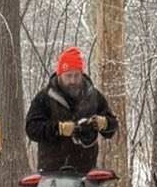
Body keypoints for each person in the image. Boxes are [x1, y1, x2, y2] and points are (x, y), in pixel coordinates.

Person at [24, 47, 118, 177]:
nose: (72, 81)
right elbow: (32, 129)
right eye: (68, 76)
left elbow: (112, 127)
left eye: (76, 75)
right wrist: (58, 129)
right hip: (52, 174)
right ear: (59, 75)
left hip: (86, 174)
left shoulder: (94, 96)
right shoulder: (45, 97)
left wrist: (105, 123)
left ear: (82, 74)